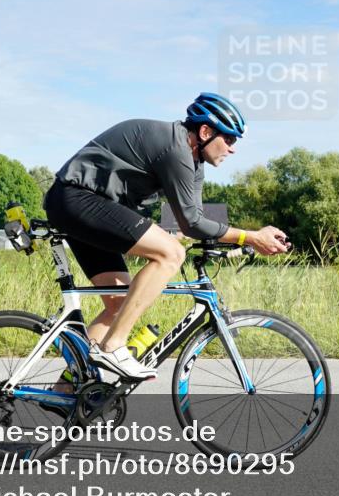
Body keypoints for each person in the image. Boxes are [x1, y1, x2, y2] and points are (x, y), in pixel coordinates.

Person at [43, 93, 290, 380]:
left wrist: (245, 239)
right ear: (206, 132)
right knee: (171, 253)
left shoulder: (194, 164)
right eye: (230, 140)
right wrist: (250, 237)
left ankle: (69, 389)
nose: (232, 149)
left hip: (89, 205)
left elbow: (196, 221)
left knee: (118, 302)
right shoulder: (175, 149)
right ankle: (113, 346)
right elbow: (192, 224)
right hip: (77, 198)